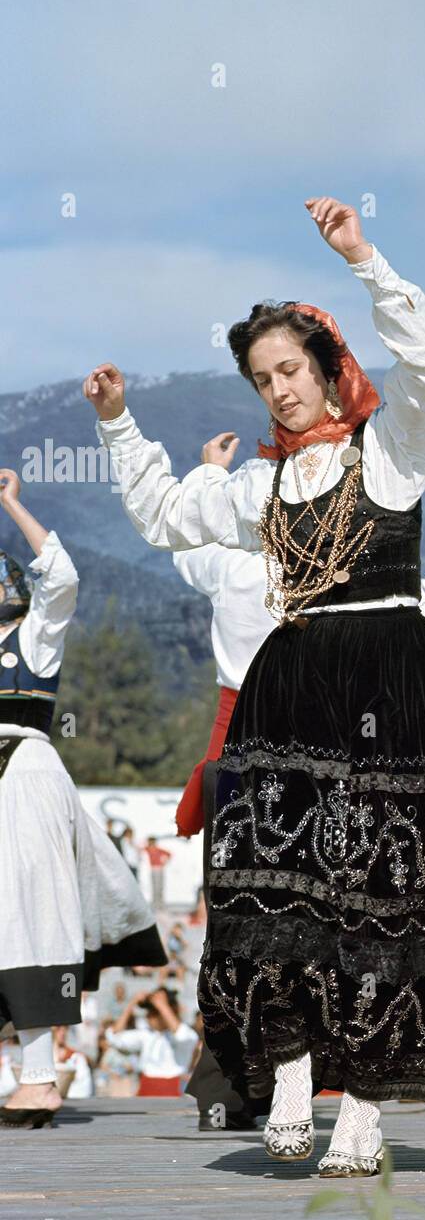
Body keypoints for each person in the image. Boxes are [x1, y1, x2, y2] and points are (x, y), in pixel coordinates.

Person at [86, 196, 425, 1178]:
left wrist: (362, 258)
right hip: (293, 680)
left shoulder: (389, 455)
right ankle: (295, 1067)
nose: (278, 392)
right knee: (270, 887)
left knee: (385, 896)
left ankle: (365, 1108)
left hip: (391, 682)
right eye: (262, 379)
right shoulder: (255, 487)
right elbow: (165, 515)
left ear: (328, 366)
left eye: (291, 371)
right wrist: (118, 423)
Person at [0, 470, 165, 1129]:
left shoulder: (31, 640)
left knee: (30, 919)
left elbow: (62, 575)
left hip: (24, 775)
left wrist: (11, 502)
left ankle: (39, 1079)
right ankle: (29, 1075)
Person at [106, 987, 198, 1096]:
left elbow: (182, 1036)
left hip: (173, 1088)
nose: (148, 1016)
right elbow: (114, 1037)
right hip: (146, 1085)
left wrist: (163, 1007)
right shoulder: (146, 1034)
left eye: (153, 1012)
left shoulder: (186, 1033)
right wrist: (132, 1003)